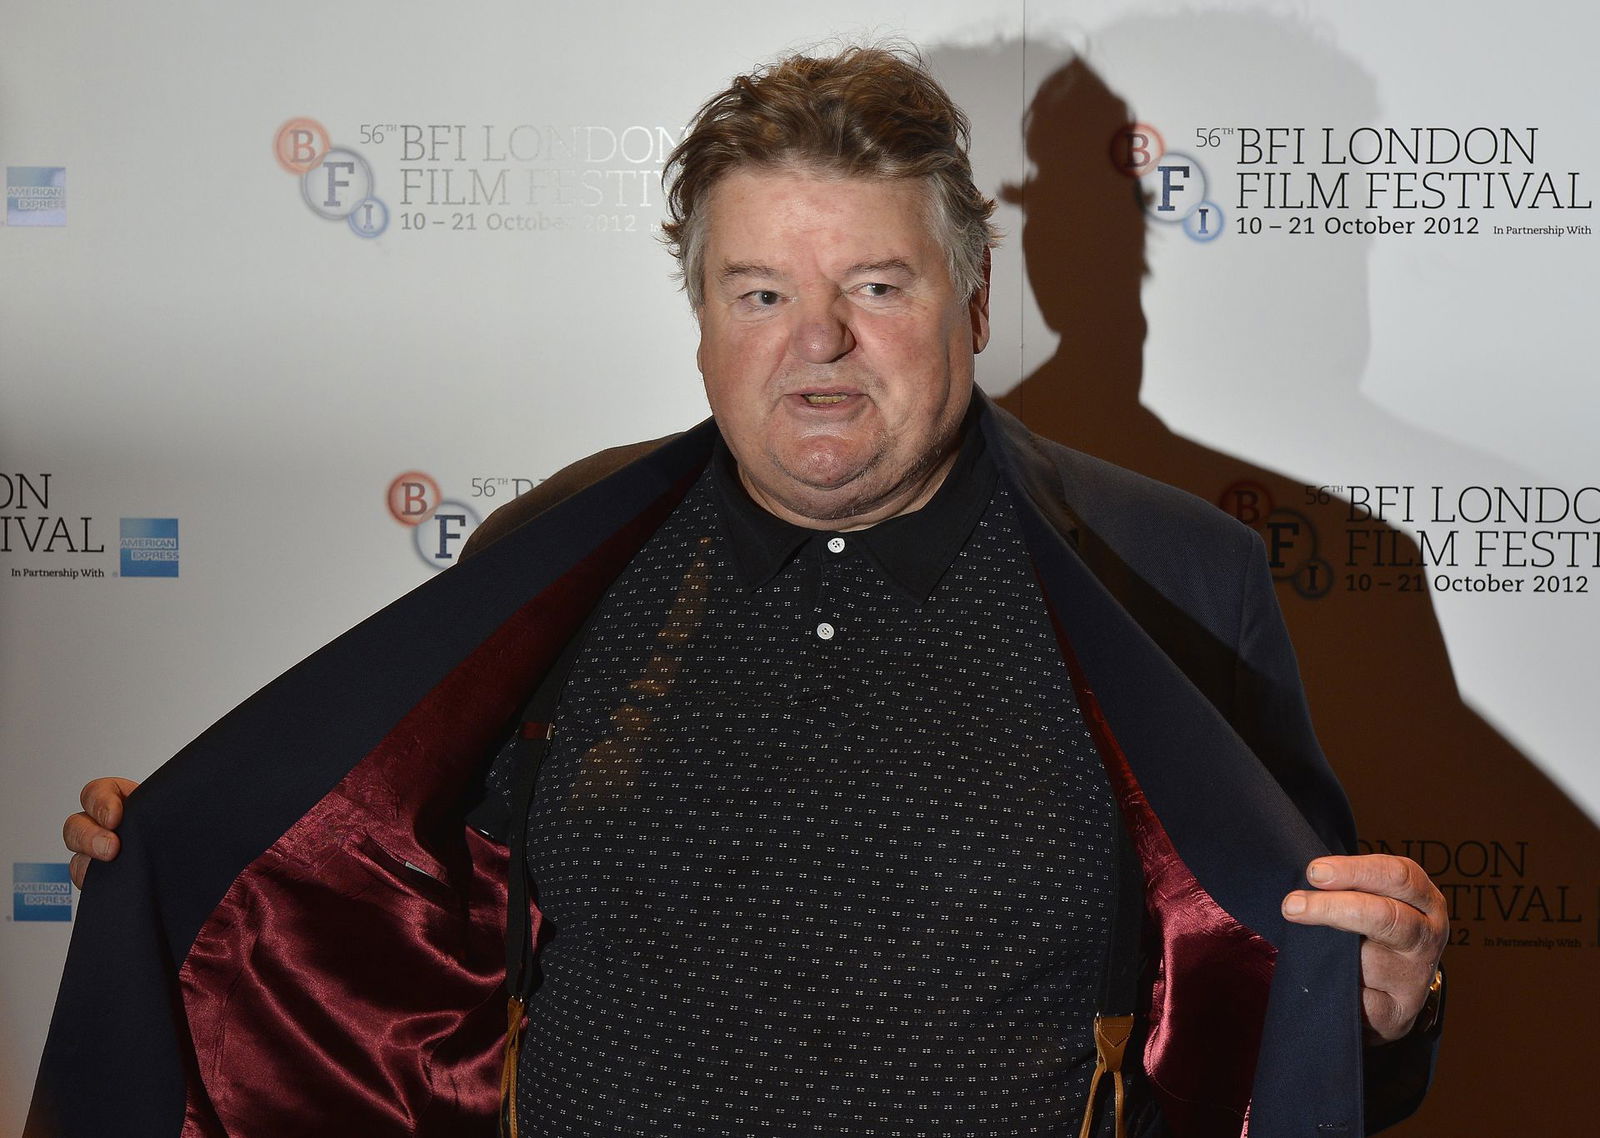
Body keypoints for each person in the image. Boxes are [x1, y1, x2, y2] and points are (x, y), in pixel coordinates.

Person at [36, 44, 1445, 1138]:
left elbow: (1288, 1007)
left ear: (972, 301)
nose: (818, 342)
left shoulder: (1178, 578)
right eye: (760, 291)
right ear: (701, 314)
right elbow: (367, 909)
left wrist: (1386, 1007)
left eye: (877, 285)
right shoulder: (549, 558)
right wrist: (191, 859)